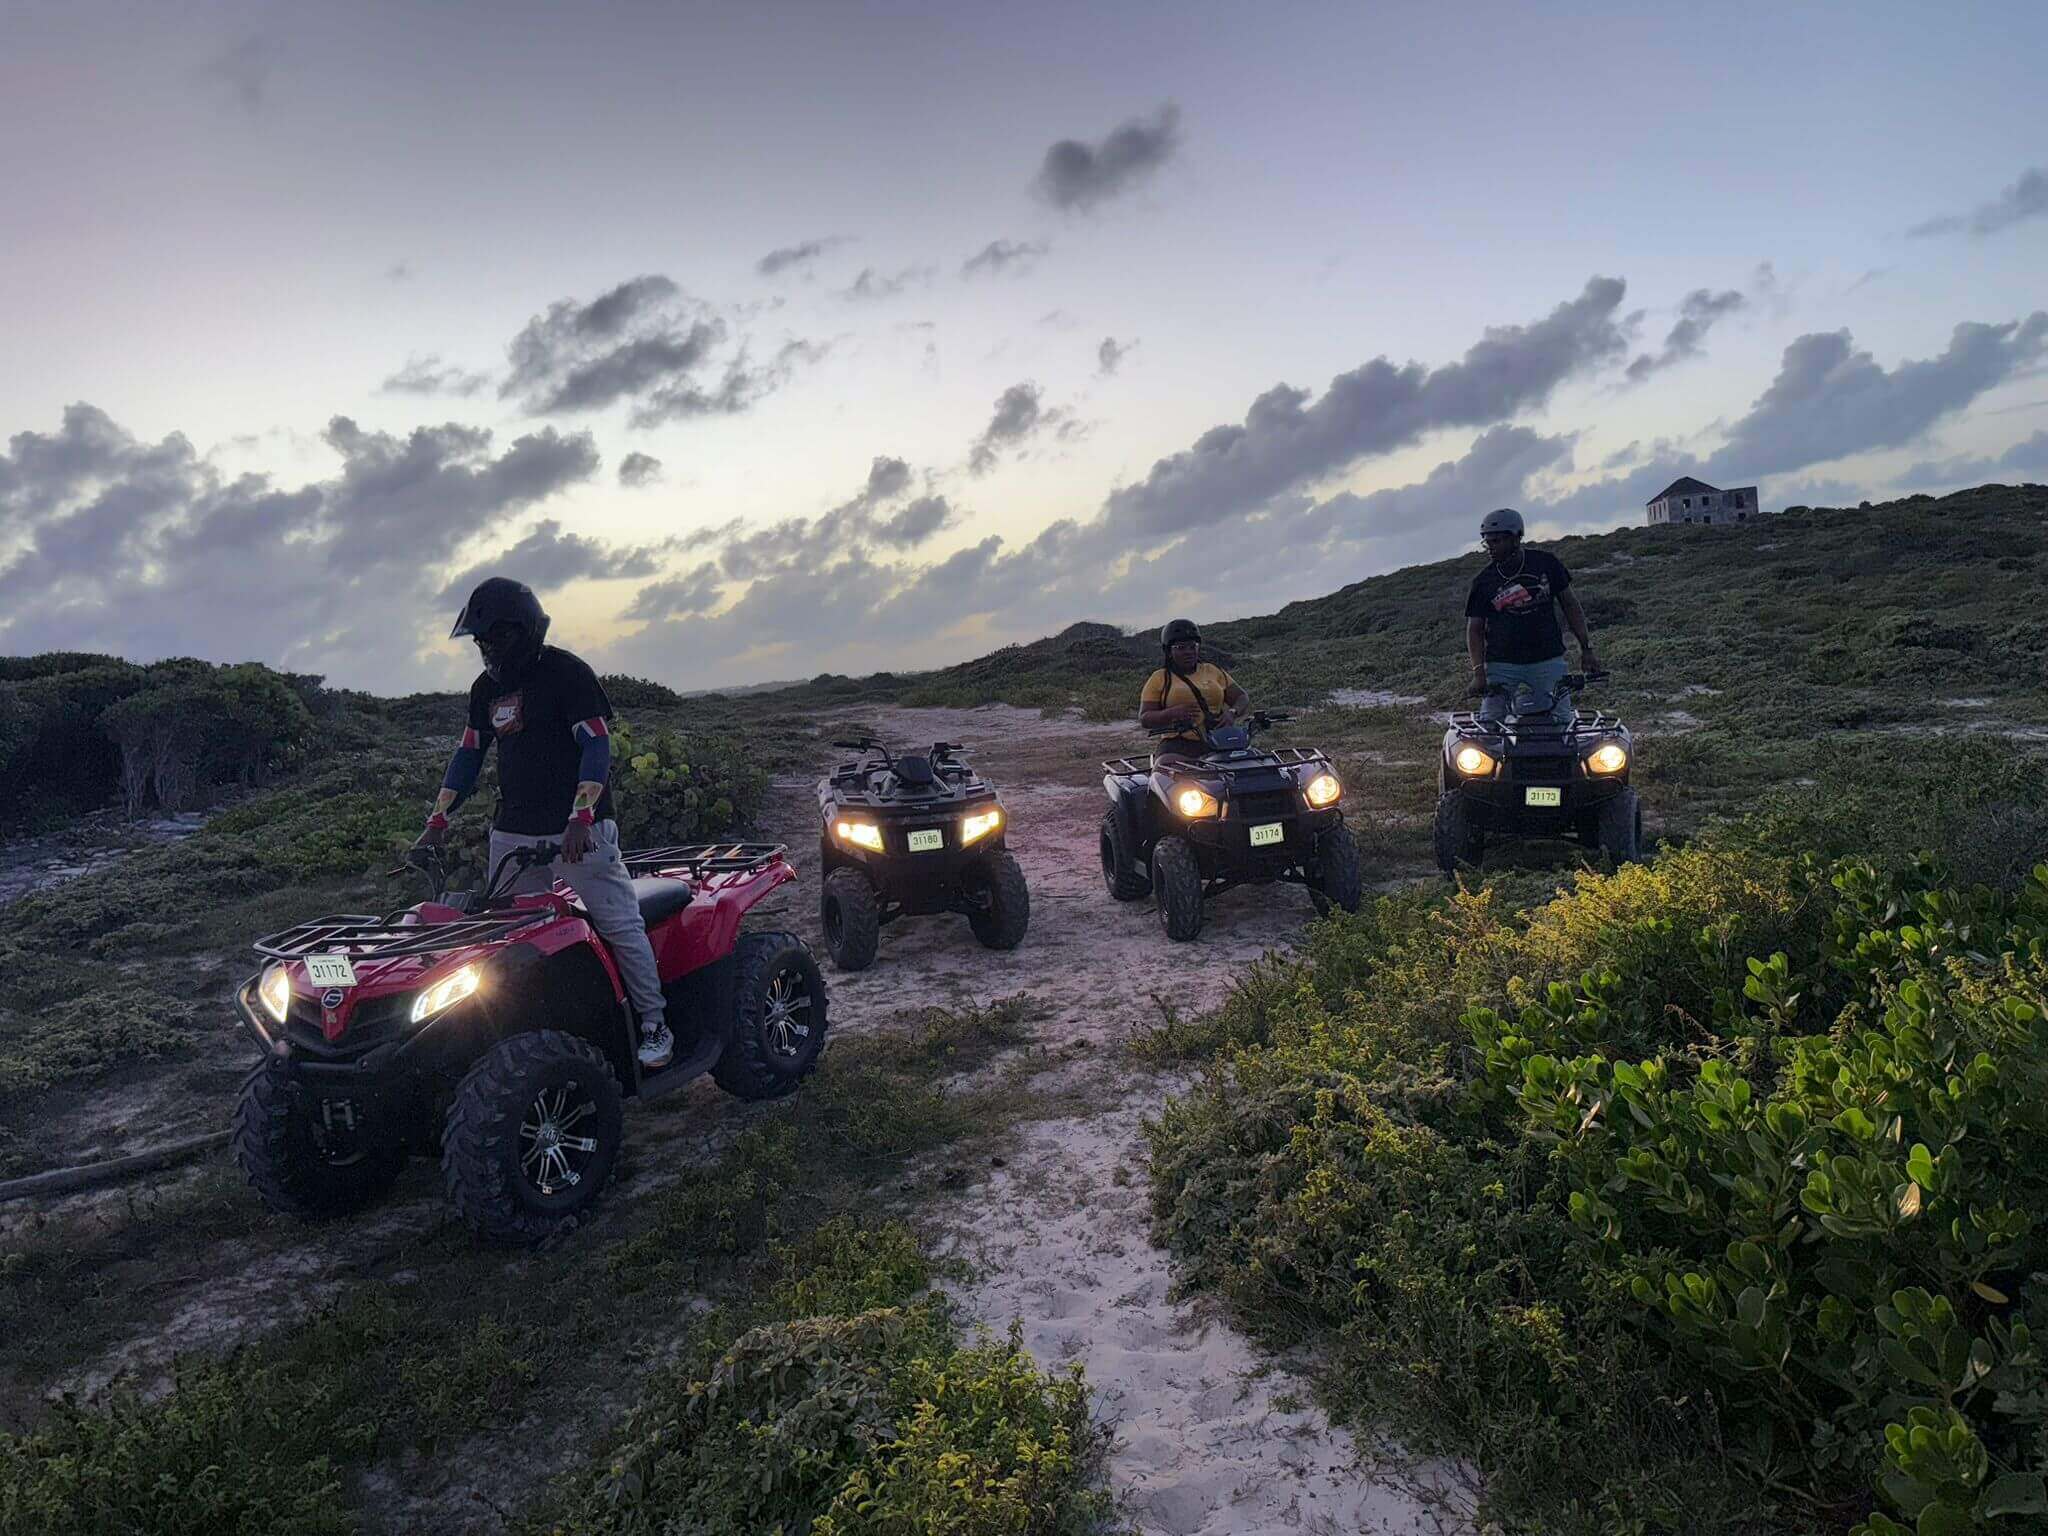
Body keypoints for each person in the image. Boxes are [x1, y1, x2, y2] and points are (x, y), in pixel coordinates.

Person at [412, 577, 674, 1070]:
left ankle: (654, 1022)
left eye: (498, 638)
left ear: (527, 630)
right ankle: (530, 1027)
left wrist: (581, 817)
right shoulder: (485, 690)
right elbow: (468, 754)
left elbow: (596, 745)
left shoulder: (567, 673)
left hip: (580, 831)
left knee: (619, 921)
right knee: (510, 934)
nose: (489, 650)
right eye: (482, 641)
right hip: (513, 829)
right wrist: (438, 821)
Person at [1463, 508, 1601, 724]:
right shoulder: (1483, 582)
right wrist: (1479, 673)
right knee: (1490, 723)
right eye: (1487, 542)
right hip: (1502, 663)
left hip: (1547, 658)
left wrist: (1586, 649)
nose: (1491, 548)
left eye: (1497, 541)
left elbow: (1570, 605)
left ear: (1516, 538)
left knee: (1562, 721)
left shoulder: (1546, 563)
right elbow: (1474, 629)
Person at [1138, 618, 1249, 760]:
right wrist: (1171, 713)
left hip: (1219, 741)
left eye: (1193, 646)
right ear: (1169, 651)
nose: (1188, 652)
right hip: (1178, 745)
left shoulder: (1213, 671)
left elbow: (1241, 697)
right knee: (1166, 771)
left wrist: (1232, 713)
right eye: (1180, 648)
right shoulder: (1159, 678)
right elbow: (1145, 718)